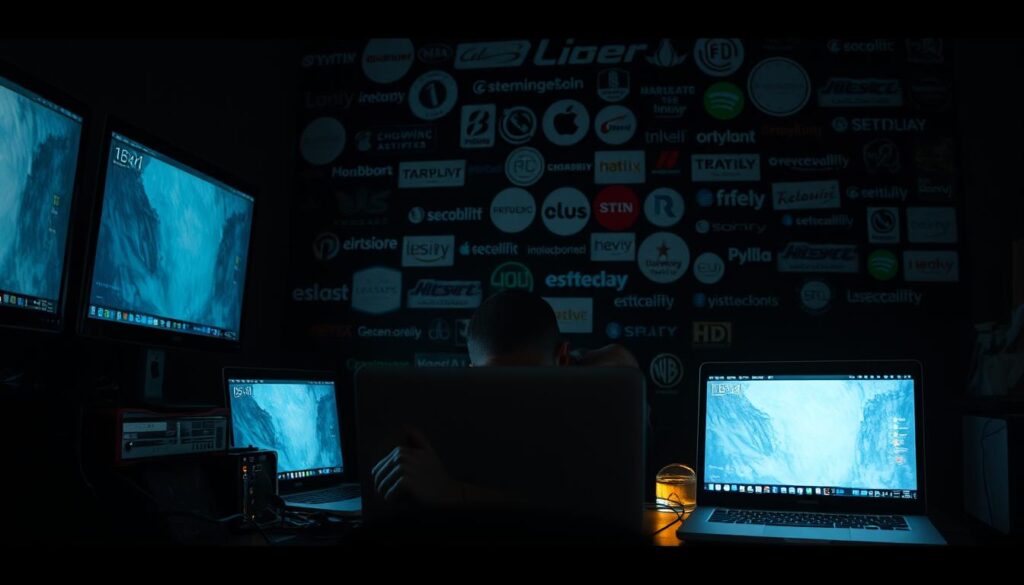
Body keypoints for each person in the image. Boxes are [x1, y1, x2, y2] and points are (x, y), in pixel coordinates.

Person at [370, 290, 639, 507]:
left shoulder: (602, 397)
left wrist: (454, 494)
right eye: (498, 381)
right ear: (472, 373)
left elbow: (600, 506)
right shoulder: (450, 415)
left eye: (529, 379)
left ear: (563, 359)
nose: (517, 396)